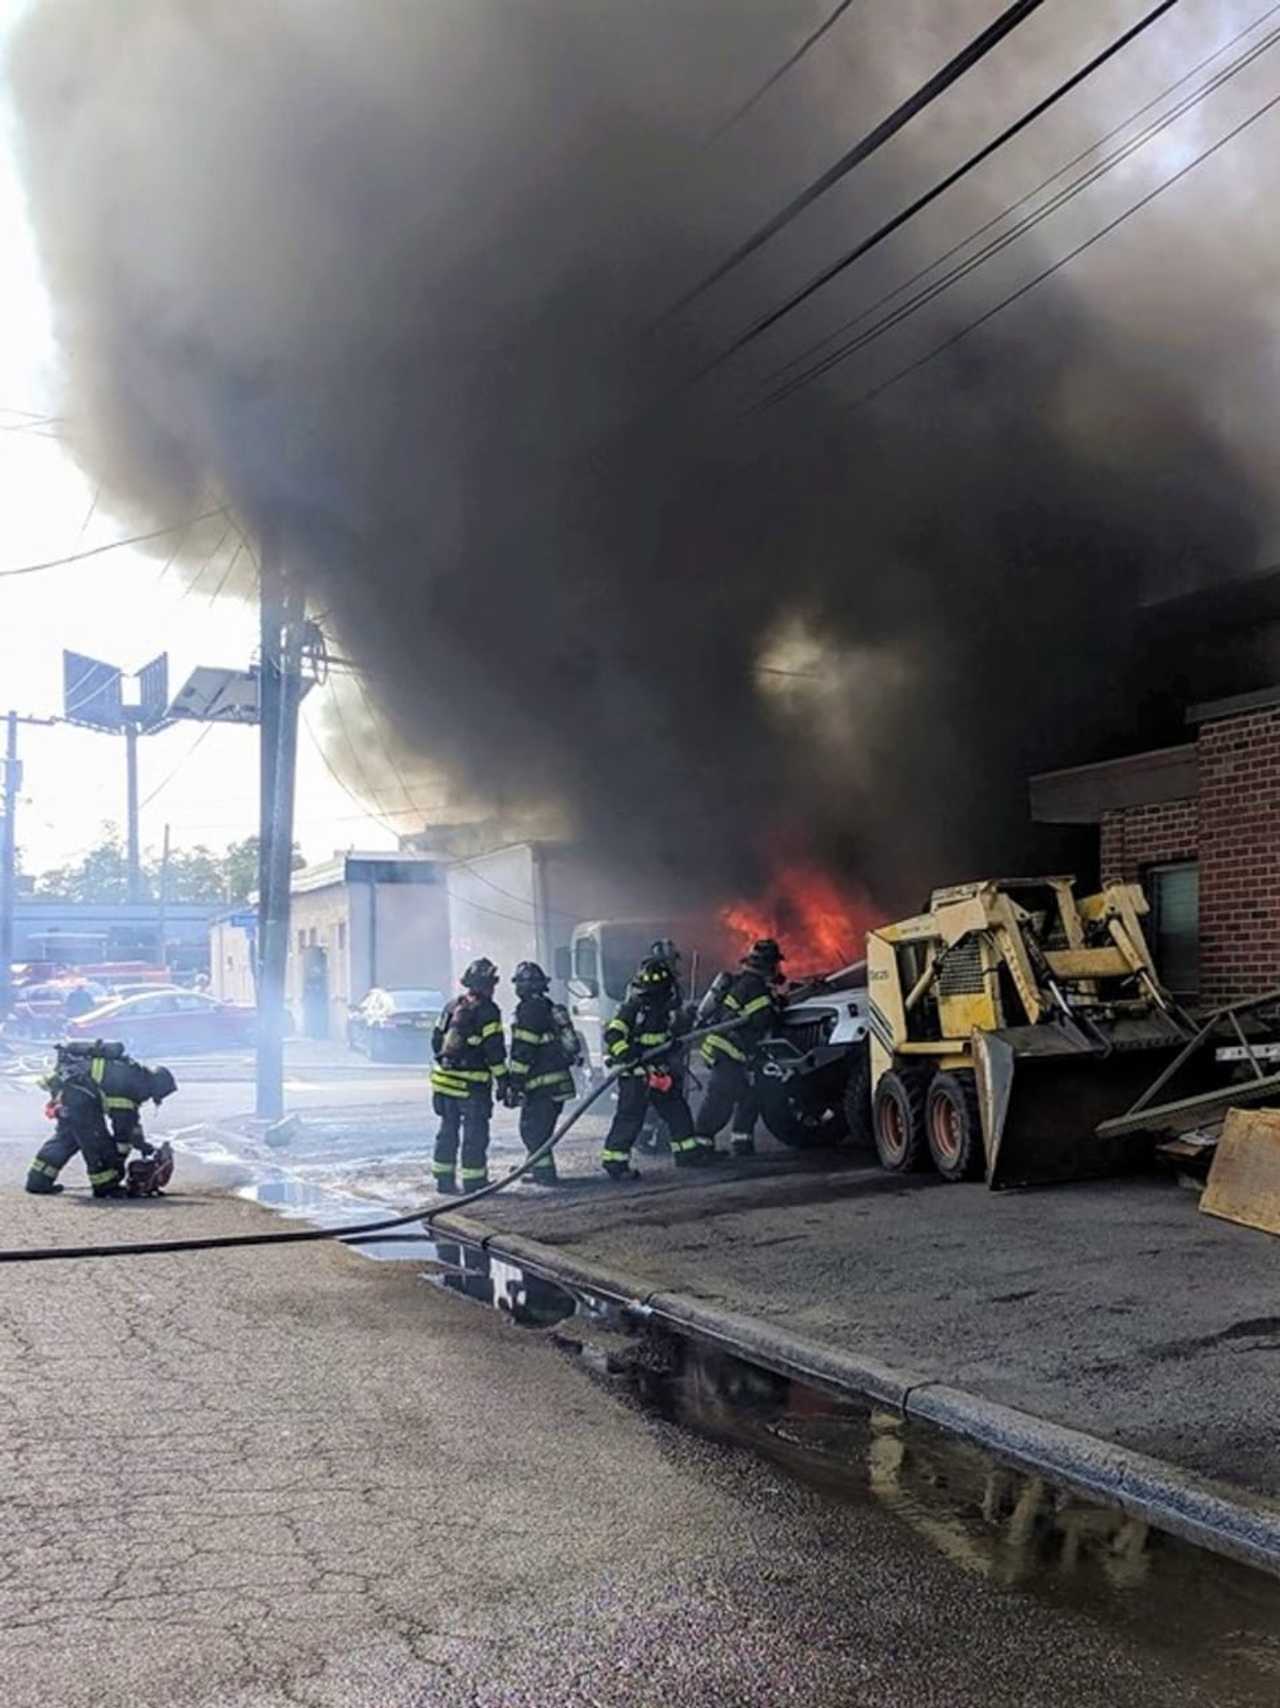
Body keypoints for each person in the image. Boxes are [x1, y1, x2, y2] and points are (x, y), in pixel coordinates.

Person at [599, 956, 712, 1179]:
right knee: (630, 1118)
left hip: (659, 1074)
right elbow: (613, 1034)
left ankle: (687, 1154)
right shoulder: (632, 1008)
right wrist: (626, 1052)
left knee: (677, 1111)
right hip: (637, 1076)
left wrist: (684, 1025)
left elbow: (669, 1038)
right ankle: (615, 1163)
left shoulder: (664, 1010)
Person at [26, 1041, 178, 1198]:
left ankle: (38, 1181)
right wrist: (120, 1157)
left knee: (66, 1138)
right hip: (81, 1099)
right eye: (154, 1095)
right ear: (155, 1085)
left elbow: (130, 1121)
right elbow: (123, 1125)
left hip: (69, 1093)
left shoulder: (129, 1071)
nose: (150, 1098)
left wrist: (141, 1144)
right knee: (98, 1142)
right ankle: (105, 1187)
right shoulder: (132, 1083)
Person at [693, 937, 784, 1158]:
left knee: (750, 1096)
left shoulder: (746, 982)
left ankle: (742, 1142)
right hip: (727, 1050)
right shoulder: (754, 987)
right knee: (720, 1100)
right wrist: (777, 1009)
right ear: (769, 965)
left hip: (730, 1049)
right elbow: (762, 1019)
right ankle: (701, 1145)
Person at [430, 958, 507, 1194]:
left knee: (447, 1130)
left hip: (443, 1082)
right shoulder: (488, 1010)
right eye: (492, 983)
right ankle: (474, 1182)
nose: (493, 988)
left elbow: (435, 1040)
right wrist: (503, 1080)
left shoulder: (451, 1006)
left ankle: (444, 1181)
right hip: (471, 1085)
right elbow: (494, 1051)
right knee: (475, 1134)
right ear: (486, 985)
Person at [503, 960, 578, 1187]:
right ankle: (536, 1167)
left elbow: (523, 1050)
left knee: (533, 1132)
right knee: (540, 1130)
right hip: (557, 1084)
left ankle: (545, 1174)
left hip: (542, 1085)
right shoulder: (547, 1005)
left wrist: (514, 1083)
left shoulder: (529, 1011)